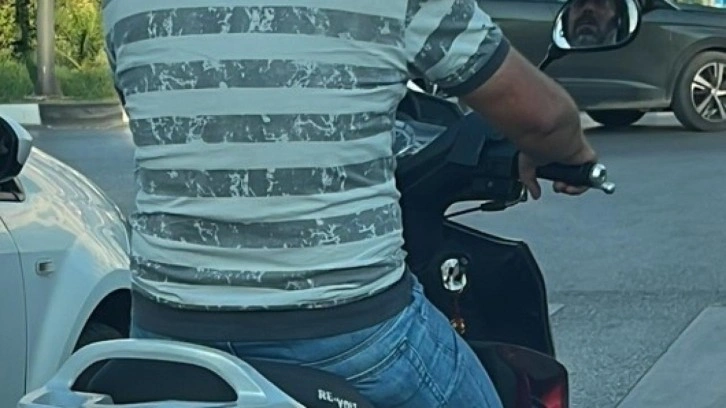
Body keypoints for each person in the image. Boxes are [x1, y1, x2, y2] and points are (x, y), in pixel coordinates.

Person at [102, 1, 596, 406]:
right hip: (352, 332)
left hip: (167, 331)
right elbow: (543, 118)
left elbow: (161, 118)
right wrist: (570, 153)